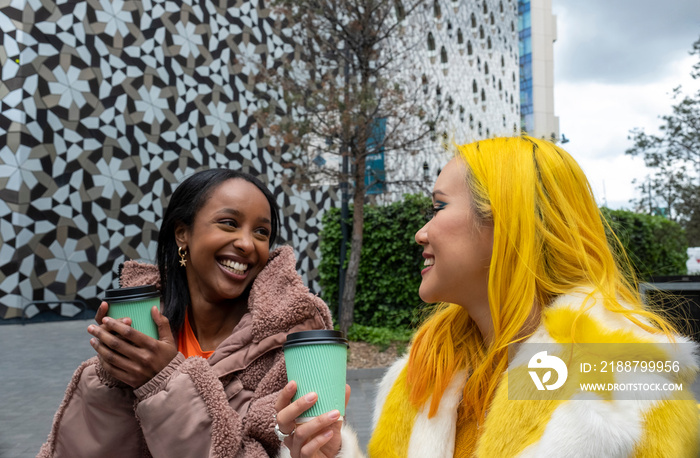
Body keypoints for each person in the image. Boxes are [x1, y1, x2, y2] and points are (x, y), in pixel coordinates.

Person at [273, 136, 699, 457]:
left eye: (439, 208)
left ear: (507, 222)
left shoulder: (632, 378)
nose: (421, 232)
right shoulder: (422, 375)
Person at [39, 169, 333, 458]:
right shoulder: (145, 323)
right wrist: (113, 378)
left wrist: (165, 382)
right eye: (229, 223)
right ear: (182, 233)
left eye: (261, 232)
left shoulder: (294, 337)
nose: (247, 243)